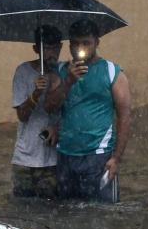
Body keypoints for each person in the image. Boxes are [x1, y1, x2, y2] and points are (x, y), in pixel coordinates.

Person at [46, 18, 131, 203]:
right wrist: (68, 80)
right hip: (66, 156)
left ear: (97, 43)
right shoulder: (60, 71)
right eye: (75, 43)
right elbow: (50, 106)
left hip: (99, 157)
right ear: (69, 45)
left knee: (103, 214)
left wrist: (116, 158)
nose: (80, 48)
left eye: (86, 43)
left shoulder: (111, 71)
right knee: (67, 213)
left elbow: (124, 116)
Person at [10, 25, 63, 199]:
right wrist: (36, 93)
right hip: (25, 160)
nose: (52, 52)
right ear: (36, 49)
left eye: (56, 47)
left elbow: (73, 112)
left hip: (53, 160)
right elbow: (22, 115)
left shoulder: (65, 72)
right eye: (47, 48)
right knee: (21, 208)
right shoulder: (23, 72)